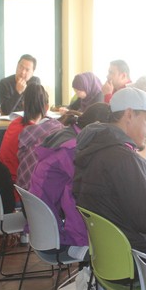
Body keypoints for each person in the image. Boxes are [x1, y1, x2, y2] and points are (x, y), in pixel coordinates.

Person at [73, 87, 146, 256]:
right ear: (129, 115)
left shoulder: (96, 147)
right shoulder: (125, 159)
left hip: (109, 254)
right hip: (138, 255)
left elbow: (131, 195)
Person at [30, 103, 112, 261]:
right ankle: (84, 249)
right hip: (57, 236)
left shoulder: (67, 135)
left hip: (42, 226)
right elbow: (91, 187)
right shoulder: (73, 149)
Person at [0, 84, 50, 187]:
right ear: (46, 108)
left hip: (1, 182)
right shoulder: (35, 134)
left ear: (23, 104)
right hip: (16, 189)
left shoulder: (15, 123)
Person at [16, 85, 64, 190]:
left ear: (23, 105)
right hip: (20, 191)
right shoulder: (45, 135)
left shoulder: (17, 126)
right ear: (46, 108)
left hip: (18, 188)